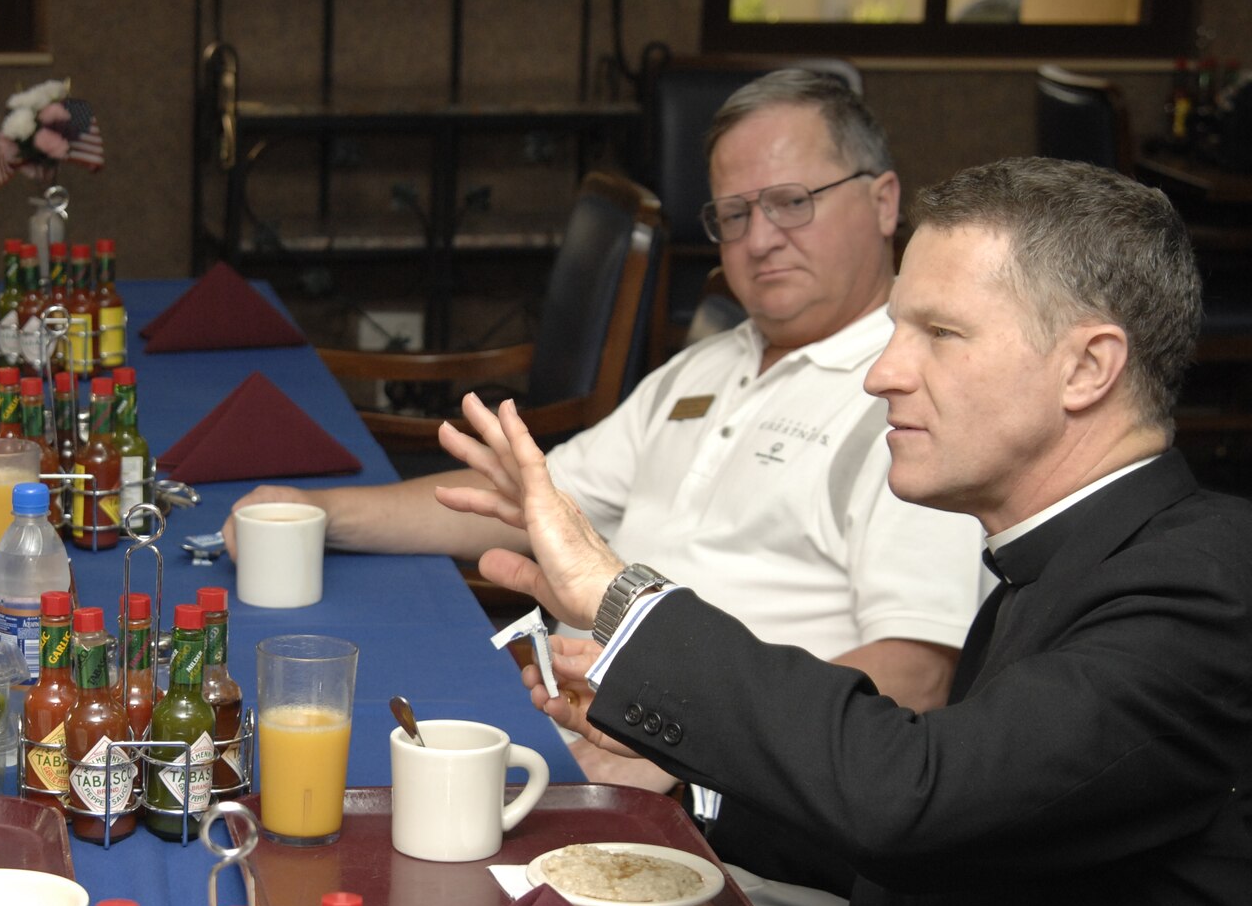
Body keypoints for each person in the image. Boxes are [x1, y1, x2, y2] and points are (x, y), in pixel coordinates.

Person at [441, 158, 1252, 906]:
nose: (880, 374)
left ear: (1086, 365)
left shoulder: (1198, 588)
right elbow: (975, 838)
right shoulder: (1073, 558)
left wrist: (615, 592)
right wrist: (683, 787)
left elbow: (915, 799)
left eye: (938, 335)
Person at [230, 71, 983, 767]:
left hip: (711, 810)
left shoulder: (916, 403)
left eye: (793, 201)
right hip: (569, 735)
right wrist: (318, 512)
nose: (759, 239)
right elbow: (533, 509)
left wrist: (680, 743)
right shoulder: (711, 363)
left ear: (884, 201)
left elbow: (915, 677)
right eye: (733, 213)